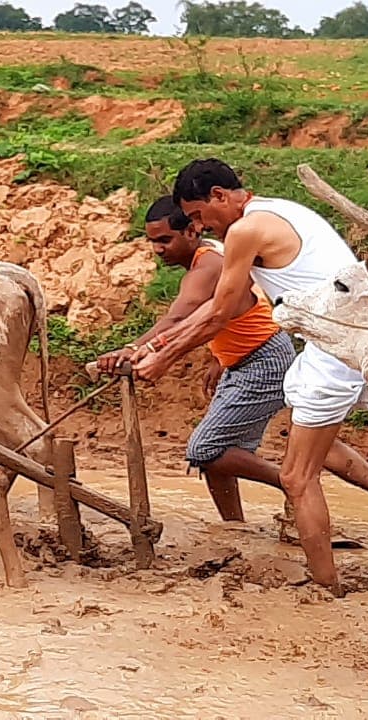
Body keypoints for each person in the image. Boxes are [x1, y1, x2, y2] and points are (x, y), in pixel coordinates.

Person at [129, 159, 368, 596]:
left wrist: (163, 357)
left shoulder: (244, 232)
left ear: (219, 197)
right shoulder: (276, 211)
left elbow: (219, 313)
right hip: (347, 339)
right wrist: (161, 348)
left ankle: (325, 586)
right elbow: (215, 308)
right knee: (306, 446)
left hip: (338, 345)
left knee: (295, 477)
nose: (199, 225)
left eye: (196, 216)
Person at [98, 196, 295, 523]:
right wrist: (220, 356)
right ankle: (234, 526)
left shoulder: (206, 266)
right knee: (221, 453)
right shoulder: (217, 253)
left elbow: (178, 319)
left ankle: (294, 484)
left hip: (263, 361)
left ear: (191, 231)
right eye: (153, 242)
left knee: (206, 450)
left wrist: (133, 348)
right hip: (246, 358)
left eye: (165, 240)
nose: (158, 249)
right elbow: (238, 305)